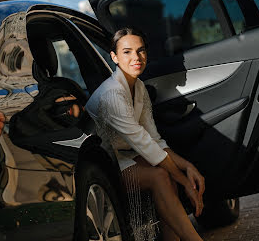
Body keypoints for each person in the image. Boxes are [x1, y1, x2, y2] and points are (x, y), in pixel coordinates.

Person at [85, 27, 205, 241]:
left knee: (165, 174)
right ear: (114, 57)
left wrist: (187, 166)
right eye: (127, 52)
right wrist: (185, 182)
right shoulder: (112, 94)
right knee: (160, 175)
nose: (136, 58)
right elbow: (145, 146)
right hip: (103, 163)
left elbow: (154, 139)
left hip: (125, 155)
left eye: (140, 51)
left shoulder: (138, 86)